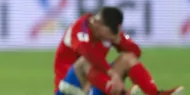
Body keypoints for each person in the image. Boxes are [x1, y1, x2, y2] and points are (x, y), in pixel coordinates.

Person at [54, 7, 184, 95]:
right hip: (70, 88)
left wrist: (118, 41)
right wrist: (111, 73)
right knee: (85, 61)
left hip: (98, 83)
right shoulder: (79, 28)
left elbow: (136, 52)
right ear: (98, 25)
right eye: (109, 34)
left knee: (128, 58)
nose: (109, 37)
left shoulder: (109, 31)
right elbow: (88, 52)